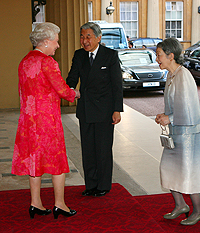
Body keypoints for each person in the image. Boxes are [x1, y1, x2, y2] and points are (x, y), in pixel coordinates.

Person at [11, 22, 79, 220]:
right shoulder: (48, 62)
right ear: (47, 41)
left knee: (35, 161)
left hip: (28, 121)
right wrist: (75, 93)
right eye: (56, 42)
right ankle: (60, 204)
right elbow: (62, 90)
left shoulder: (24, 61)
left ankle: (36, 203)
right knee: (56, 162)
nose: (57, 46)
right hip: (47, 121)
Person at [66, 22, 123, 197]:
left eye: (88, 36)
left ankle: (104, 185)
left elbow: (117, 85)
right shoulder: (79, 56)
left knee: (103, 149)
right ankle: (90, 184)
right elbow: (72, 79)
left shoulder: (110, 56)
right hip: (86, 110)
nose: (84, 40)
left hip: (105, 111)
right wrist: (65, 91)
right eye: (82, 37)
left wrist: (117, 109)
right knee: (88, 149)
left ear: (99, 38)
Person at [155, 38, 200, 226]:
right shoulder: (171, 75)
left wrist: (171, 118)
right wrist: (165, 115)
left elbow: (189, 107)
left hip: (187, 133)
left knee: (188, 171)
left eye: (159, 55)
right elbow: (175, 104)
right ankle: (180, 205)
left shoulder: (183, 75)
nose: (157, 59)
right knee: (168, 168)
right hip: (176, 130)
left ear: (171, 55)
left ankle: (199, 210)